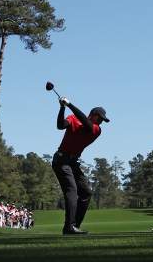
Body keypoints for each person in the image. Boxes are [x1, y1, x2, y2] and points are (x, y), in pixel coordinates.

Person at [51, 96, 109, 235]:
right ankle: (69, 227)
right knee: (72, 191)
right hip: (61, 161)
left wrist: (69, 104)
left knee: (86, 192)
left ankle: (74, 225)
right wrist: (62, 108)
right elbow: (60, 125)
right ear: (93, 114)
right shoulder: (73, 119)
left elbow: (87, 124)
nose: (101, 122)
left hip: (72, 163)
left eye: (103, 120)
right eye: (100, 118)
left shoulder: (96, 130)